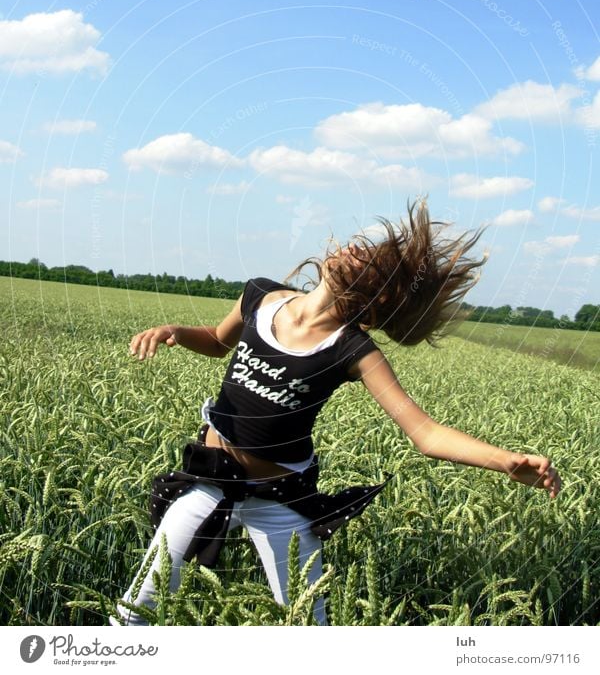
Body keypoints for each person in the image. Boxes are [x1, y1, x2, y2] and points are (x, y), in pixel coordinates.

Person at [113, 200, 561, 626]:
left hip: (281, 500)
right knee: (137, 606)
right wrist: (173, 331)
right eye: (361, 245)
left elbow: (424, 432)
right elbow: (216, 340)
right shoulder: (260, 294)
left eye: (369, 260)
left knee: (309, 625)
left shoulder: (354, 349)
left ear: (377, 295)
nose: (354, 247)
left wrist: (505, 461)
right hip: (213, 479)